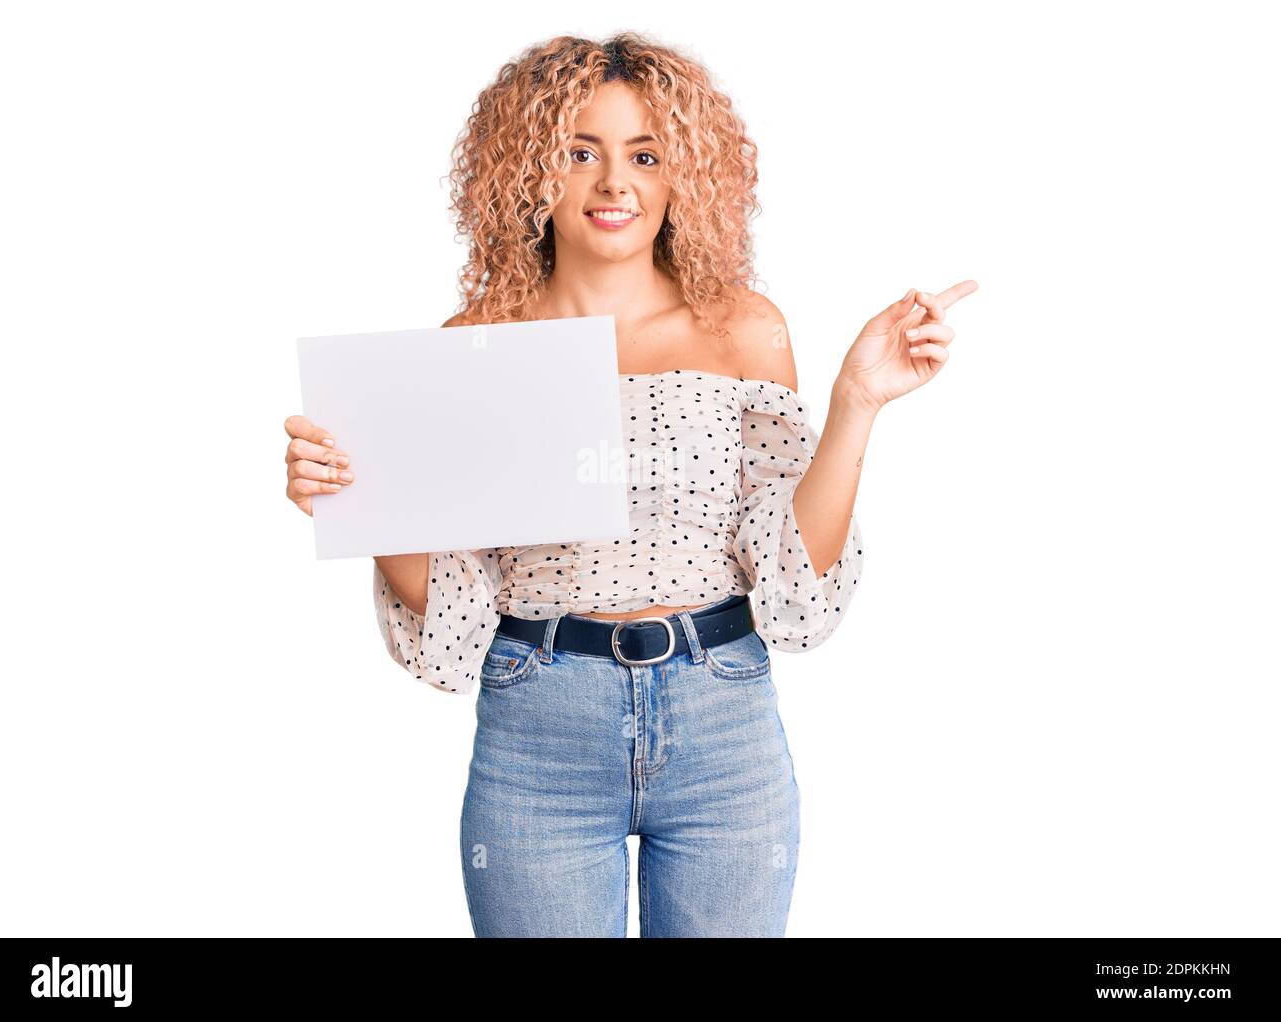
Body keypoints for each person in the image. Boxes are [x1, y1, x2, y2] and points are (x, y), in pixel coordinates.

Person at [283, 31, 976, 937]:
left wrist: (855, 402)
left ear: (681, 172)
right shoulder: (478, 340)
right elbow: (453, 616)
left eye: (644, 155)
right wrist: (361, 498)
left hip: (722, 718)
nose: (616, 184)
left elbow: (796, 589)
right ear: (533, 172)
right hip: (540, 719)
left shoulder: (744, 330)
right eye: (581, 153)